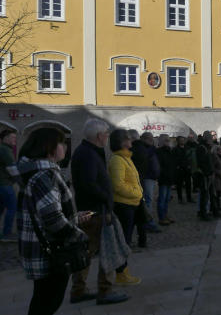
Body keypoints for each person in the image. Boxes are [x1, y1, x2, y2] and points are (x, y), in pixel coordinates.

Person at [8, 128, 95, 315]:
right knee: (48, 302)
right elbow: (53, 220)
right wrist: (79, 234)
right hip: (52, 252)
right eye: (62, 143)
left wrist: (74, 218)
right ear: (49, 148)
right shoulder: (44, 175)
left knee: (43, 299)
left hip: (41, 247)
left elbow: (47, 212)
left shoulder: (37, 173)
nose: (65, 147)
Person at [71, 119, 129, 305]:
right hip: (96, 210)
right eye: (106, 133)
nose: (107, 136)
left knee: (86, 251)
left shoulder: (87, 151)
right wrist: (106, 197)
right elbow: (89, 183)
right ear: (99, 136)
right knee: (107, 250)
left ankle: (78, 290)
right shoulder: (88, 154)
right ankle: (105, 290)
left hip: (91, 209)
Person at [107, 129, 143, 286]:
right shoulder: (117, 160)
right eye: (128, 139)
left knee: (126, 239)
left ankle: (124, 271)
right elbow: (118, 185)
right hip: (123, 205)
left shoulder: (125, 158)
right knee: (123, 240)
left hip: (132, 204)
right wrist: (136, 193)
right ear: (122, 142)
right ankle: (121, 273)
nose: (131, 141)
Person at [138, 132, 161, 233]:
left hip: (151, 177)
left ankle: (148, 221)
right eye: (149, 138)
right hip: (147, 177)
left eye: (152, 138)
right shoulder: (145, 149)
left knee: (149, 200)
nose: (152, 140)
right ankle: (148, 222)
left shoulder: (151, 149)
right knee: (148, 200)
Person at [0, 129, 17, 242]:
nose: (14, 139)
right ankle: (6, 233)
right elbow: (13, 169)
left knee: (1, 208)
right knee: (12, 207)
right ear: (4, 138)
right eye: (12, 137)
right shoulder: (5, 150)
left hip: (2, 184)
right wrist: (22, 182)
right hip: (5, 184)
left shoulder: (4, 149)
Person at [156, 134, 176, 226]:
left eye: (168, 140)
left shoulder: (170, 151)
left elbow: (171, 165)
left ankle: (165, 215)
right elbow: (161, 166)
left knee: (167, 199)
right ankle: (162, 217)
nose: (168, 142)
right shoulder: (159, 152)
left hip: (169, 178)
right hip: (163, 179)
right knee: (162, 199)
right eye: (166, 140)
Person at [173, 136, 192, 204]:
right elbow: (174, 159)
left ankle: (189, 198)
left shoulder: (187, 148)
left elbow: (190, 157)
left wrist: (189, 165)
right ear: (178, 141)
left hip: (187, 169)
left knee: (188, 184)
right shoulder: (175, 149)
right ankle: (180, 198)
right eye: (181, 140)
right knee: (179, 185)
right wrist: (177, 166)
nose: (182, 141)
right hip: (180, 169)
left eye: (183, 140)